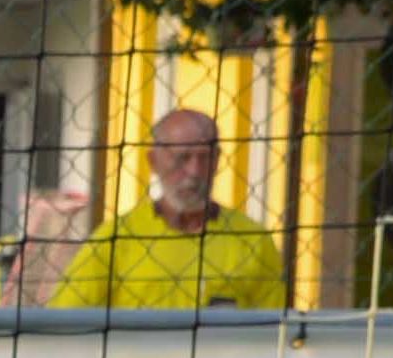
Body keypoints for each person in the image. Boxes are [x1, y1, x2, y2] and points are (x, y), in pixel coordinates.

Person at [37, 103, 289, 310]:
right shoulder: (115, 240)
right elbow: (65, 319)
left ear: (218, 161)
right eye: (183, 158)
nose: (194, 171)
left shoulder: (254, 241)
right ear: (153, 161)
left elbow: (273, 335)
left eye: (205, 157)